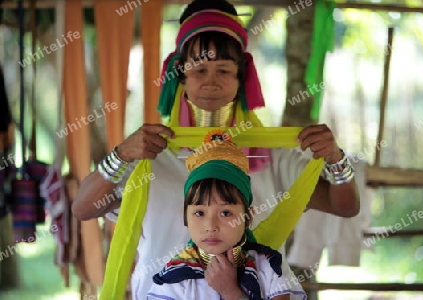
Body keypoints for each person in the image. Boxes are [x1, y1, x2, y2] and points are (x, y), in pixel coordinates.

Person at [72, 0, 359, 299]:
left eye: (223, 70)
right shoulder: (150, 155)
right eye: (199, 70)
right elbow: (82, 208)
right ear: (180, 74)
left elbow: (345, 207)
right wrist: (121, 155)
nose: (211, 82)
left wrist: (336, 160)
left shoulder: (271, 157)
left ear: (241, 77)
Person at [147, 130, 306, 300]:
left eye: (225, 213)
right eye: (199, 213)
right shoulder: (174, 278)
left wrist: (231, 292)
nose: (210, 226)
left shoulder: (270, 266)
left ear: (248, 218)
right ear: (185, 217)